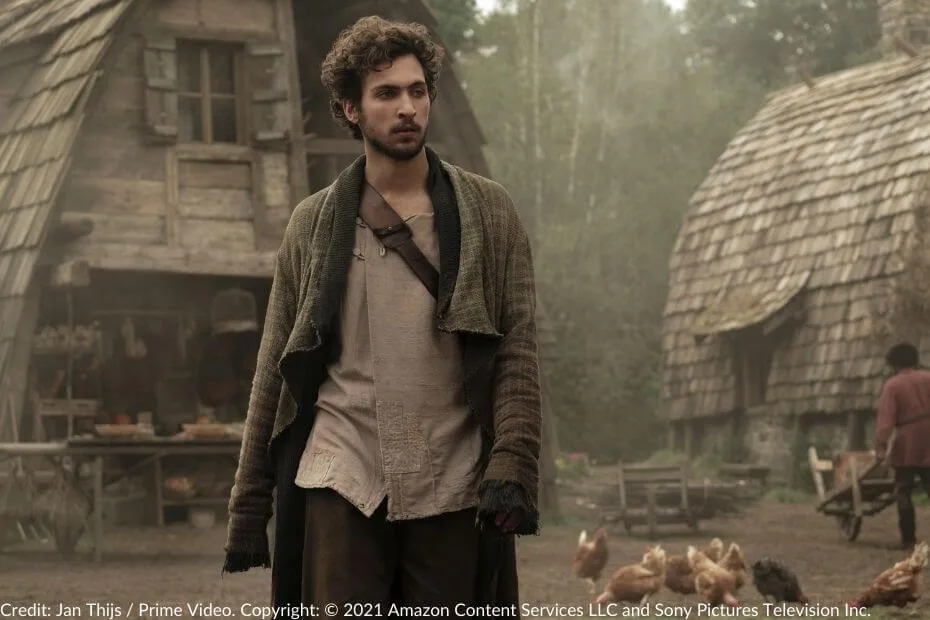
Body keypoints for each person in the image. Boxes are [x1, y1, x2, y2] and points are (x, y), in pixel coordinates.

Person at [222, 14, 542, 614]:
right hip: (343, 473)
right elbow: (275, 364)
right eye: (386, 93)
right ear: (350, 108)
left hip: (451, 474)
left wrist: (513, 461)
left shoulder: (489, 213)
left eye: (417, 91)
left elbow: (518, 348)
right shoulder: (312, 223)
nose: (407, 108)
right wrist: (249, 502)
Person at [874, 341, 930, 550]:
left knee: (903, 489)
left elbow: (886, 421)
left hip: (908, 441)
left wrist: (881, 446)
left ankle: (908, 539)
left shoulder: (893, 385)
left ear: (894, 364)